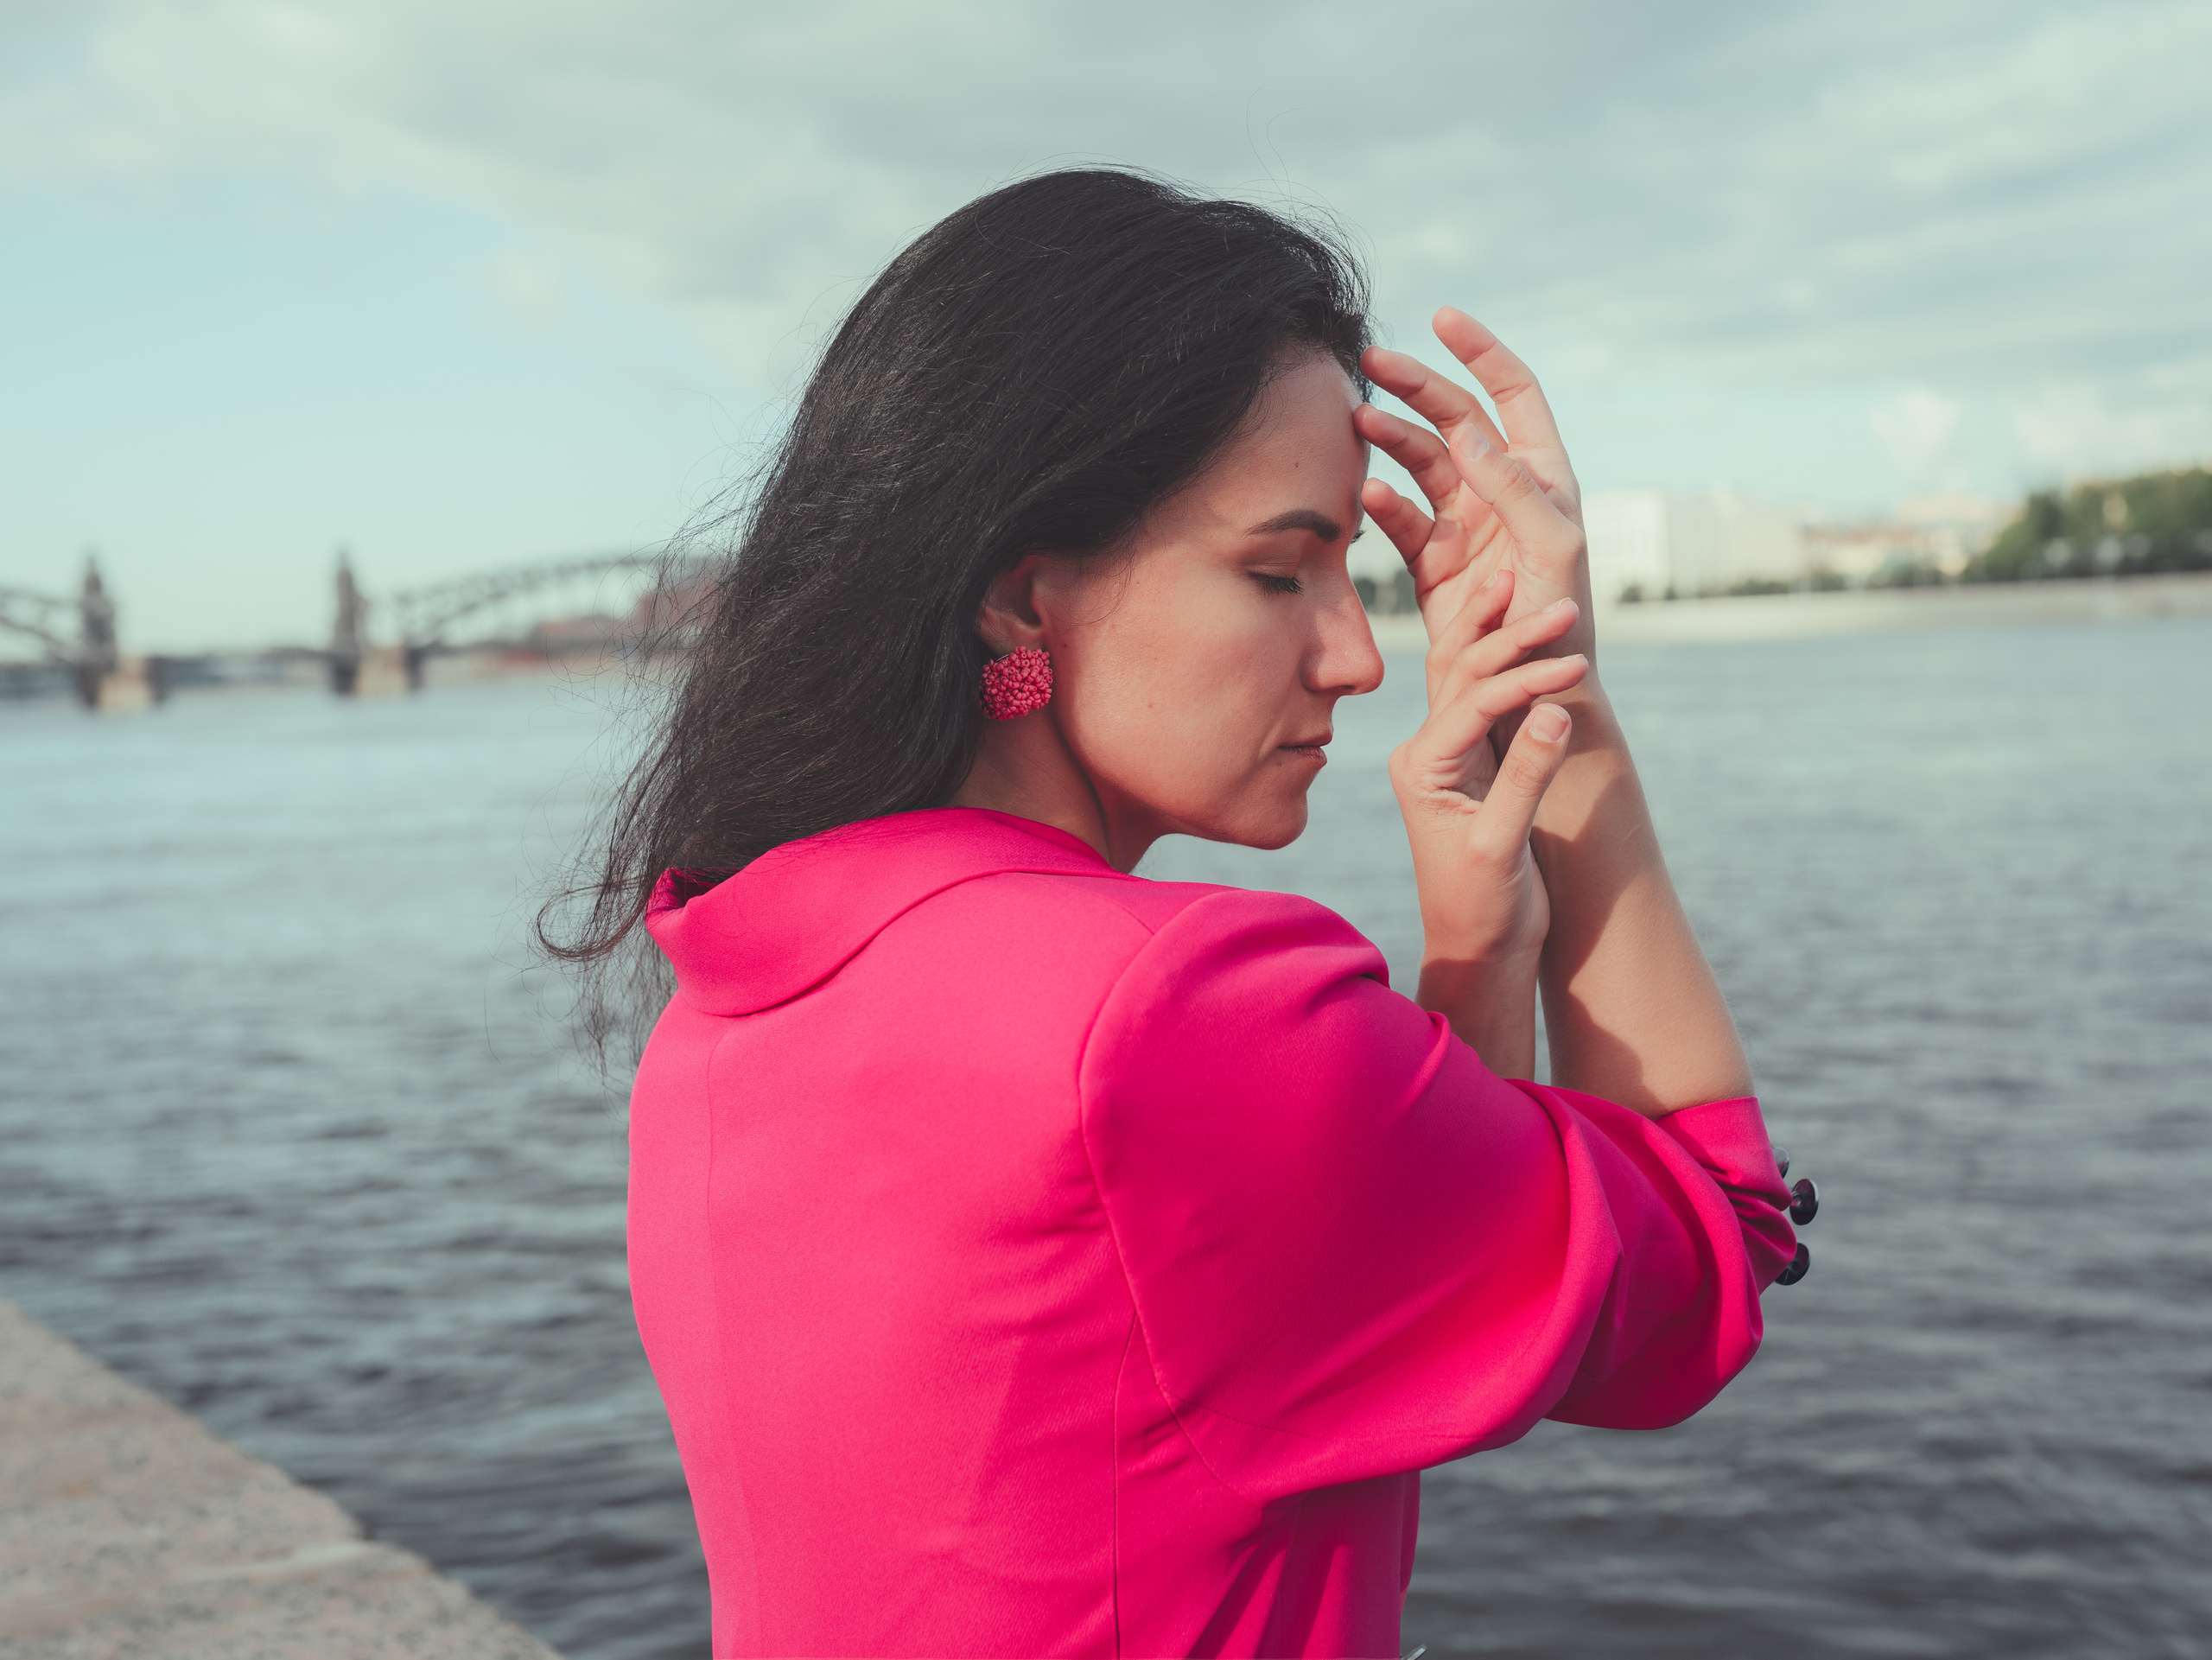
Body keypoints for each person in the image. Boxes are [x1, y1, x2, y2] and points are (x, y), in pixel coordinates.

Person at [552, 169, 1807, 1659]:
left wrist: (1481, 957)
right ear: (1025, 602)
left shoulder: (734, 980)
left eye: (1351, 566)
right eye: (1280, 570)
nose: (1353, 653)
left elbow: (1345, 1328)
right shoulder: (1173, 1012)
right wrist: (1565, 704)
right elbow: (1704, 1263)